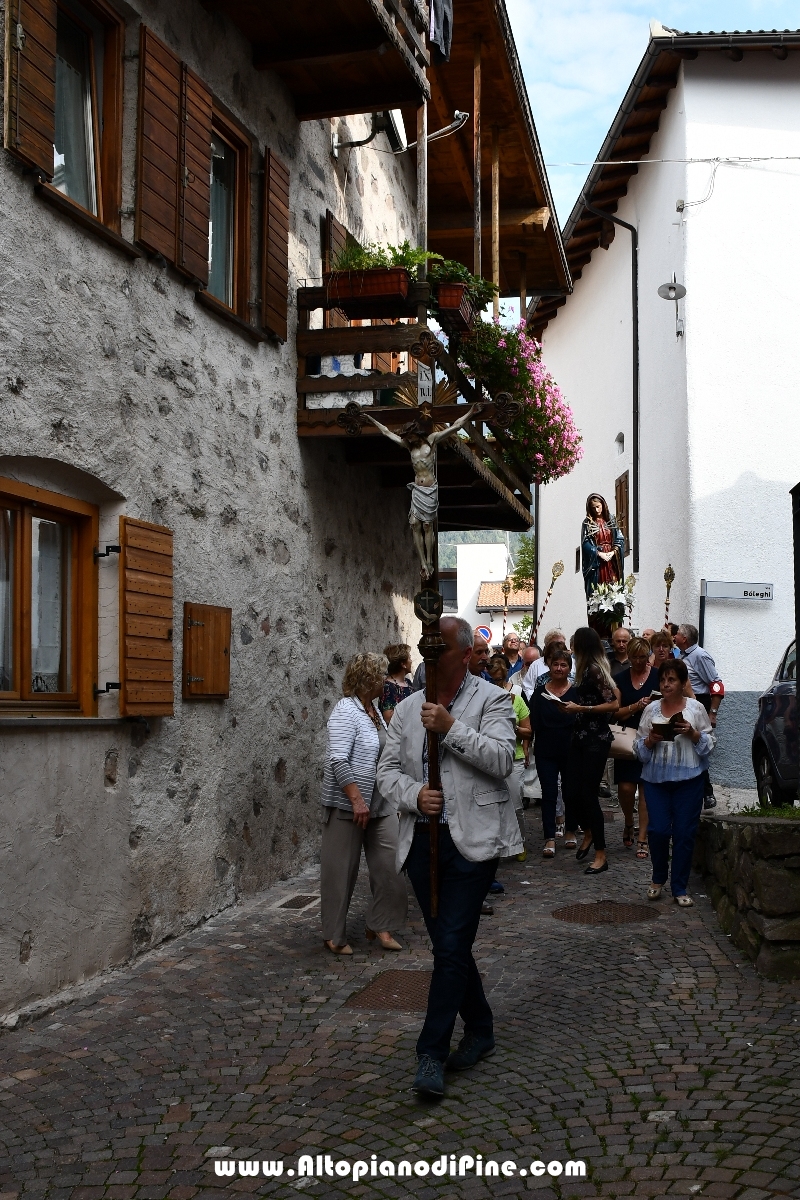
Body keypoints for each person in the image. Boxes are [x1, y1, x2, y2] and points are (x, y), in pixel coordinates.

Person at [376, 616, 520, 1097]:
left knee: (452, 944)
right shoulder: (405, 709)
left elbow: (502, 760)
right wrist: (415, 795)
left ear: (463, 655)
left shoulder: (492, 698)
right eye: (425, 649)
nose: (427, 658)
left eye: (437, 649)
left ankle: (430, 1053)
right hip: (422, 842)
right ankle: (481, 1027)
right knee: (450, 949)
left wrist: (452, 727)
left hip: (473, 843)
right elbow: (386, 772)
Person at [320, 653, 408, 955]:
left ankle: (380, 924)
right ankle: (333, 934)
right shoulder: (347, 709)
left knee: (393, 866)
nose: (386, 680)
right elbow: (338, 759)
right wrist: (356, 799)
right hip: (349, 804)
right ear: (369, 678)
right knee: (340, 873)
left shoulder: (373, 710)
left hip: (381, 803)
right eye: (382, 675)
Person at [634, 657, 715, 906]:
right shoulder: (651, 710)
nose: (667, 684)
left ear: (682, 683)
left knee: (684, 833)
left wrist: (692, 732)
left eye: (672, 680)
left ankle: (679, 886)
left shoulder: (695, 709)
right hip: (656, 781)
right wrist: (650, 741)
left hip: (689, 780)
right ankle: (658, 877)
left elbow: (709, 746)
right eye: (663, 680)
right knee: (657, 831)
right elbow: (638, 749)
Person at [562, 627, 620, 875]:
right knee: (571, 790)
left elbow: (614, 703)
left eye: (574, 644)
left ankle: (601, 853)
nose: (571, 648)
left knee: (588, 794)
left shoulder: (595, 669)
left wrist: (581, 709)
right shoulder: (584, 669)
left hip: (596, 737)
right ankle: (588, 830)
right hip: (580, 736)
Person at [530, 648, 578, 857]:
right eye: (556, 664)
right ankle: (549, 836)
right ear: (549, 667)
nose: (559, 668)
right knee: (549, 793)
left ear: (569, 668)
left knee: (571, 792)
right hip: (546, 750)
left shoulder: (576, 692)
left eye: (563, 665)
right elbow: (533, 722)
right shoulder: (540, 693)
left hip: (570, 749)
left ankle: (570, 830)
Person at [614, 636, 658, 860]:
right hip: (628, 738)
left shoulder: (658, 677)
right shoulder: (620, 679)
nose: (640, 662)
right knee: (626, 788)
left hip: (653, 738)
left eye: (643, 657)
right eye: (635, 658)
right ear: (629, 657)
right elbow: (615, 712)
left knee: (646, 792)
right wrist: (635, 706)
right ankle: (628, 822)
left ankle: (643, 837)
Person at [487, 652, 531, 860]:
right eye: (492, 679)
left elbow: (528, 731)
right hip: (491, 757)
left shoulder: (517, 699)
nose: (496, 683)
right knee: (493, 805)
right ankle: (498, 844)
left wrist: (511, 728)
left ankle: (519, 842)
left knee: (516, 804)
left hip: (515, 757)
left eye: (499, 679)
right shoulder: (485, 697)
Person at [674, 623, 723, 809]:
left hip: (698, 701)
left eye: (677, 634)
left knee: (697, 746)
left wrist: (713, 712)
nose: (674, 636)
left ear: (684, 638)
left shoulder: (699, 655)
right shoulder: (683, 655)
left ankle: (707, 793)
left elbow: (717, 684)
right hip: (683, 701)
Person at [581, 493, 626, 602]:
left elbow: (620, 539)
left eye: (598, 506)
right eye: (593, 508)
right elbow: (585, 544)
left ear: (603, 504)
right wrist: (599, 554)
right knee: (599, 588)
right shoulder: (587, 523)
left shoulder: (611, 520)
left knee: (613, 585)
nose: (596, 510)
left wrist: (613, 552)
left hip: (611, 559)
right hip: (598, 562)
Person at [522, 629, 567, 696]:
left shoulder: (573, 663)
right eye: (554, 644)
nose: (558, 647)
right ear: (546, 646)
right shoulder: (536, 665)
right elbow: (527, 688)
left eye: (561, 643)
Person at [380, 643, 413, 723]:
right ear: (403, 664)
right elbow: (388, 717)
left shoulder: (408, 683)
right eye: (409, 658)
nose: (411, 661)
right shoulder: (387, 686)